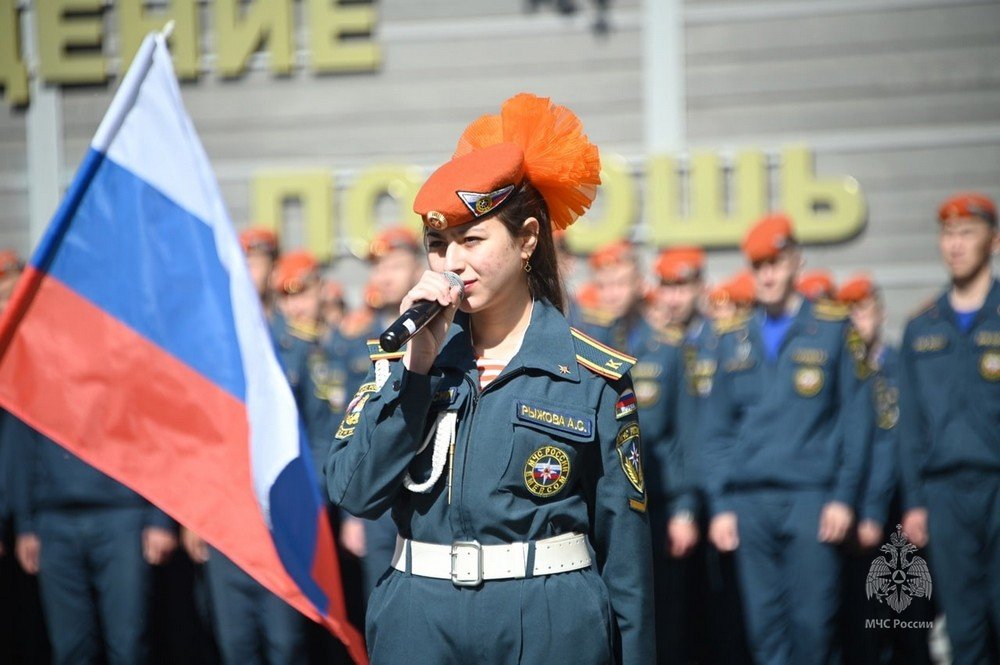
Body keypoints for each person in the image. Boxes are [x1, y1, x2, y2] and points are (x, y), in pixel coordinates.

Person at [326, 93, 654, 664]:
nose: (451, 263)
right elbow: (354, 491)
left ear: (527, 239)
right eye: (437, 246)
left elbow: (625, 558)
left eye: (472, 240)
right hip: (420, 622)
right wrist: (415, 373)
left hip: (548, 622)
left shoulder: (593, 377)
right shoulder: (402, 359)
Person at [702, 212, 873, 665]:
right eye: (759, 266)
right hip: (750, 503)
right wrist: (721, 506)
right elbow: (716, 430)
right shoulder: (733, 338)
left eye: (776, 263)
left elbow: (856, 421)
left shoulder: (834, 329)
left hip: (811, 498)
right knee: (764, 632)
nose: (768, 275)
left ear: (797, 261)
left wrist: (844, 498)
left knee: (814, 627)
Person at [898, 192, 1000, 665]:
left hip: (997, 486)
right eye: (947, 234)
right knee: (964, 628)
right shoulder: (922, 326)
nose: (955, 245)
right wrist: (915, 502)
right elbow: (911, 426)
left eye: (967, 233)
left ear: (993, 241)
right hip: (945, 495)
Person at [330, 226, 425, 599]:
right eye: (379, 268)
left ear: (418, 268)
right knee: (379, 604)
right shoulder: (357, 338)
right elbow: (348, 429)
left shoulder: (441, 331)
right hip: (376, 499)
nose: (384, 277)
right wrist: (351, 515)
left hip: (424, 492)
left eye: (395, 266)